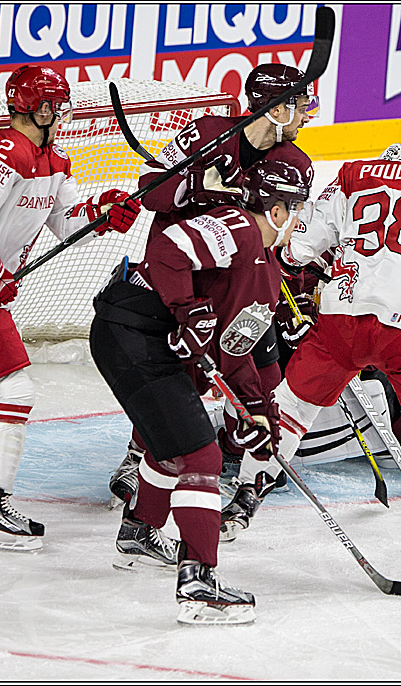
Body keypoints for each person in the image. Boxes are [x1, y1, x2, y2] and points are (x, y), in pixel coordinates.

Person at [220, 113, 401, 594]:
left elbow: (300, 247)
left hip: (340, 322)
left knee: (289, 411)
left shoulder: (352, 174)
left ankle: (242, 501)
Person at [0, 65, 142, 551]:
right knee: (13, 387)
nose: (60, 113)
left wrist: (103, 212)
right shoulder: (2, 153)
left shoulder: (52, 162)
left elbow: (66, 220)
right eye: (53, 106)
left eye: (60, 105)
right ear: (32, 108)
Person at [89, 157, 310, 624]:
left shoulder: (266, 270)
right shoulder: (238, 227)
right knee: (202, 458)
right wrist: (187, 308)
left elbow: (235, 346)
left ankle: (139, 532)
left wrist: (257, 410)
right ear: (276, 211)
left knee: (168, 445)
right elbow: (166, 250)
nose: (300, 219)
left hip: (148, 342)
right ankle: (198, 585)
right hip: (131, 333)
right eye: (296, 208)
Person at [107, 62, 316, 509]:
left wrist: (295, 289)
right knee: (177, 373)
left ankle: (224, 447)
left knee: (265, 373)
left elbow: (281, 230)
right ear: (275, 108)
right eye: (300, 105)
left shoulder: (295, 163)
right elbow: (149, 192)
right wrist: (195, 185)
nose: (309, 115)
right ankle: (140, 455)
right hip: (182, 275)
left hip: (243, 283)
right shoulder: (205, 134)